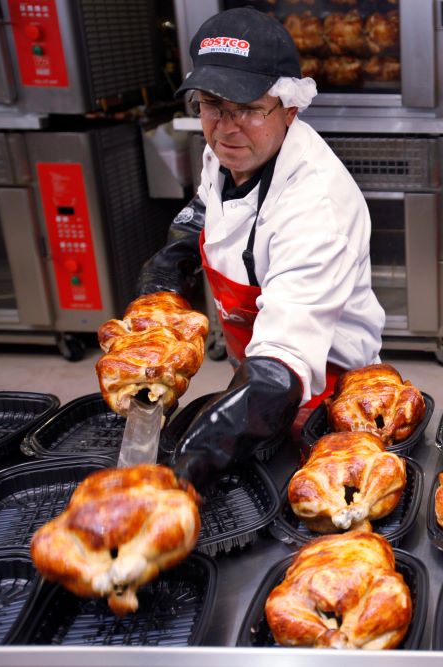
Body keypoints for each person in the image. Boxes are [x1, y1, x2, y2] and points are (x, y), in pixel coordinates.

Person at [135, 8, 384, 488]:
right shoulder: (232, 149)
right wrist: (167, 274)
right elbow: (208, 205)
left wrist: (192, 459)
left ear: (289, 108)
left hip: (320, 390)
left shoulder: (317, 207)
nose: (227, 128)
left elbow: (283, 362)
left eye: (249, 108)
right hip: (252, 372)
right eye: (212, 105)